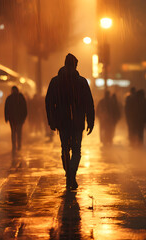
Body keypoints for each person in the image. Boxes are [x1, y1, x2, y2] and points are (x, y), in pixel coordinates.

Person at [45, 53, 94, 190]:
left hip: (62, 121)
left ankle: (69, 174)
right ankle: (72, 173)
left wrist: (52, 120)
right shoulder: (81, 82)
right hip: (77, 122)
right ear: (75, 65)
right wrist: (90, 120)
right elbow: (89, 103)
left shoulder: (55, 81)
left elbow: (49, 102)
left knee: (65, 148)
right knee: (77, 150)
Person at [4, 86, 27, 154]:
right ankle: (15, 145)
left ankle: (17, 145)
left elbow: (6, 108)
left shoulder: (10, 98)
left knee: (16, 132)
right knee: (15, 132)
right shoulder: (20, 97)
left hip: (16, 119)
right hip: (14, 119)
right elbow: (6, 108)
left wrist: (6, 117)